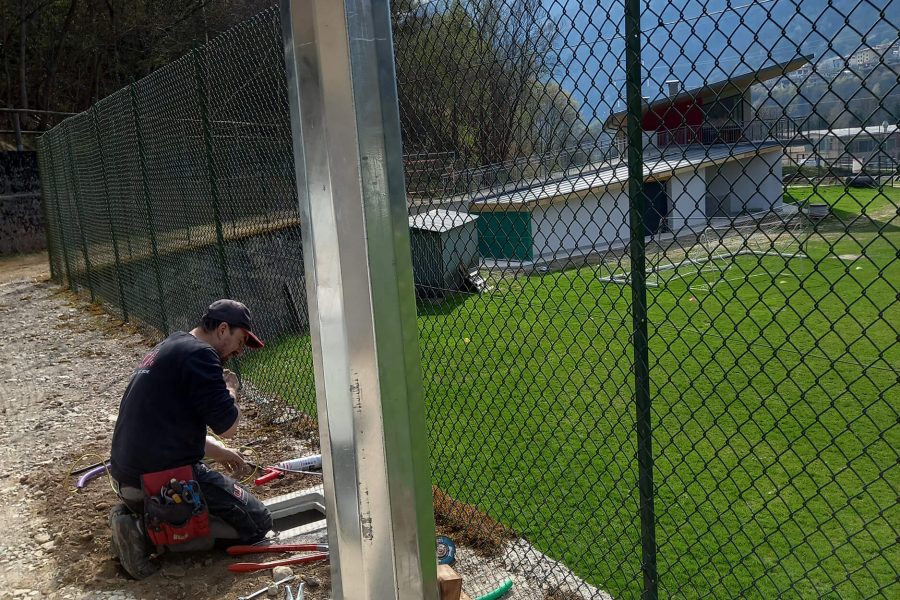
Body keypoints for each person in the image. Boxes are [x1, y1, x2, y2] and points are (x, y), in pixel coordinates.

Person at [108, 299, 273, 578]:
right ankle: (143, 533)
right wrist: (231, 388)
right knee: (257, 523)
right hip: (158, 482)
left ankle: (140, 515)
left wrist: (222, 453)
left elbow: (170, 430)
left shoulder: (174, 345)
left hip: (130, 478)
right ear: (223, 329)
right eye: (240, 341)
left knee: (225, 510)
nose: (239, 351)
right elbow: (228, 426)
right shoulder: (201, 356)